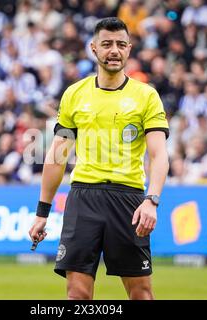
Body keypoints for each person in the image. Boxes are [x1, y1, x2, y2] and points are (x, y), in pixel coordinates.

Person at [29, 18, 169, 300]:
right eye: (106, 44)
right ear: (93, 48)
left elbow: (159, 154)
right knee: (77, 296)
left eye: (120, 44)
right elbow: (56, 157)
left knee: (141, 295)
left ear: (129, 49)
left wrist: (151, 200)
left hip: (129, 200)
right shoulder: (74, 94)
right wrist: (42, 212)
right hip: (83, 198)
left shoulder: (147, 96)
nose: (113, 50)